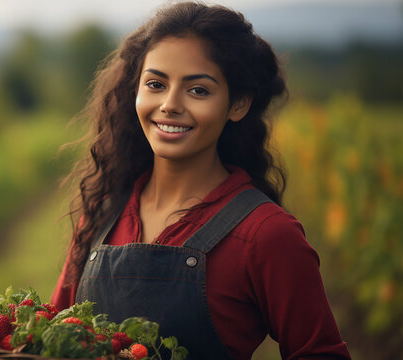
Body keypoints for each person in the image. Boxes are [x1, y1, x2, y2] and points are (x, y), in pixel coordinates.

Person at [51, 2, 351, 359]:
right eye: (156, 84)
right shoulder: (102, 215)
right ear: (136, 91)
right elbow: (53, 334)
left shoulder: (267, 234)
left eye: (198, 90)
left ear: (238, 104)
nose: (170, 104)